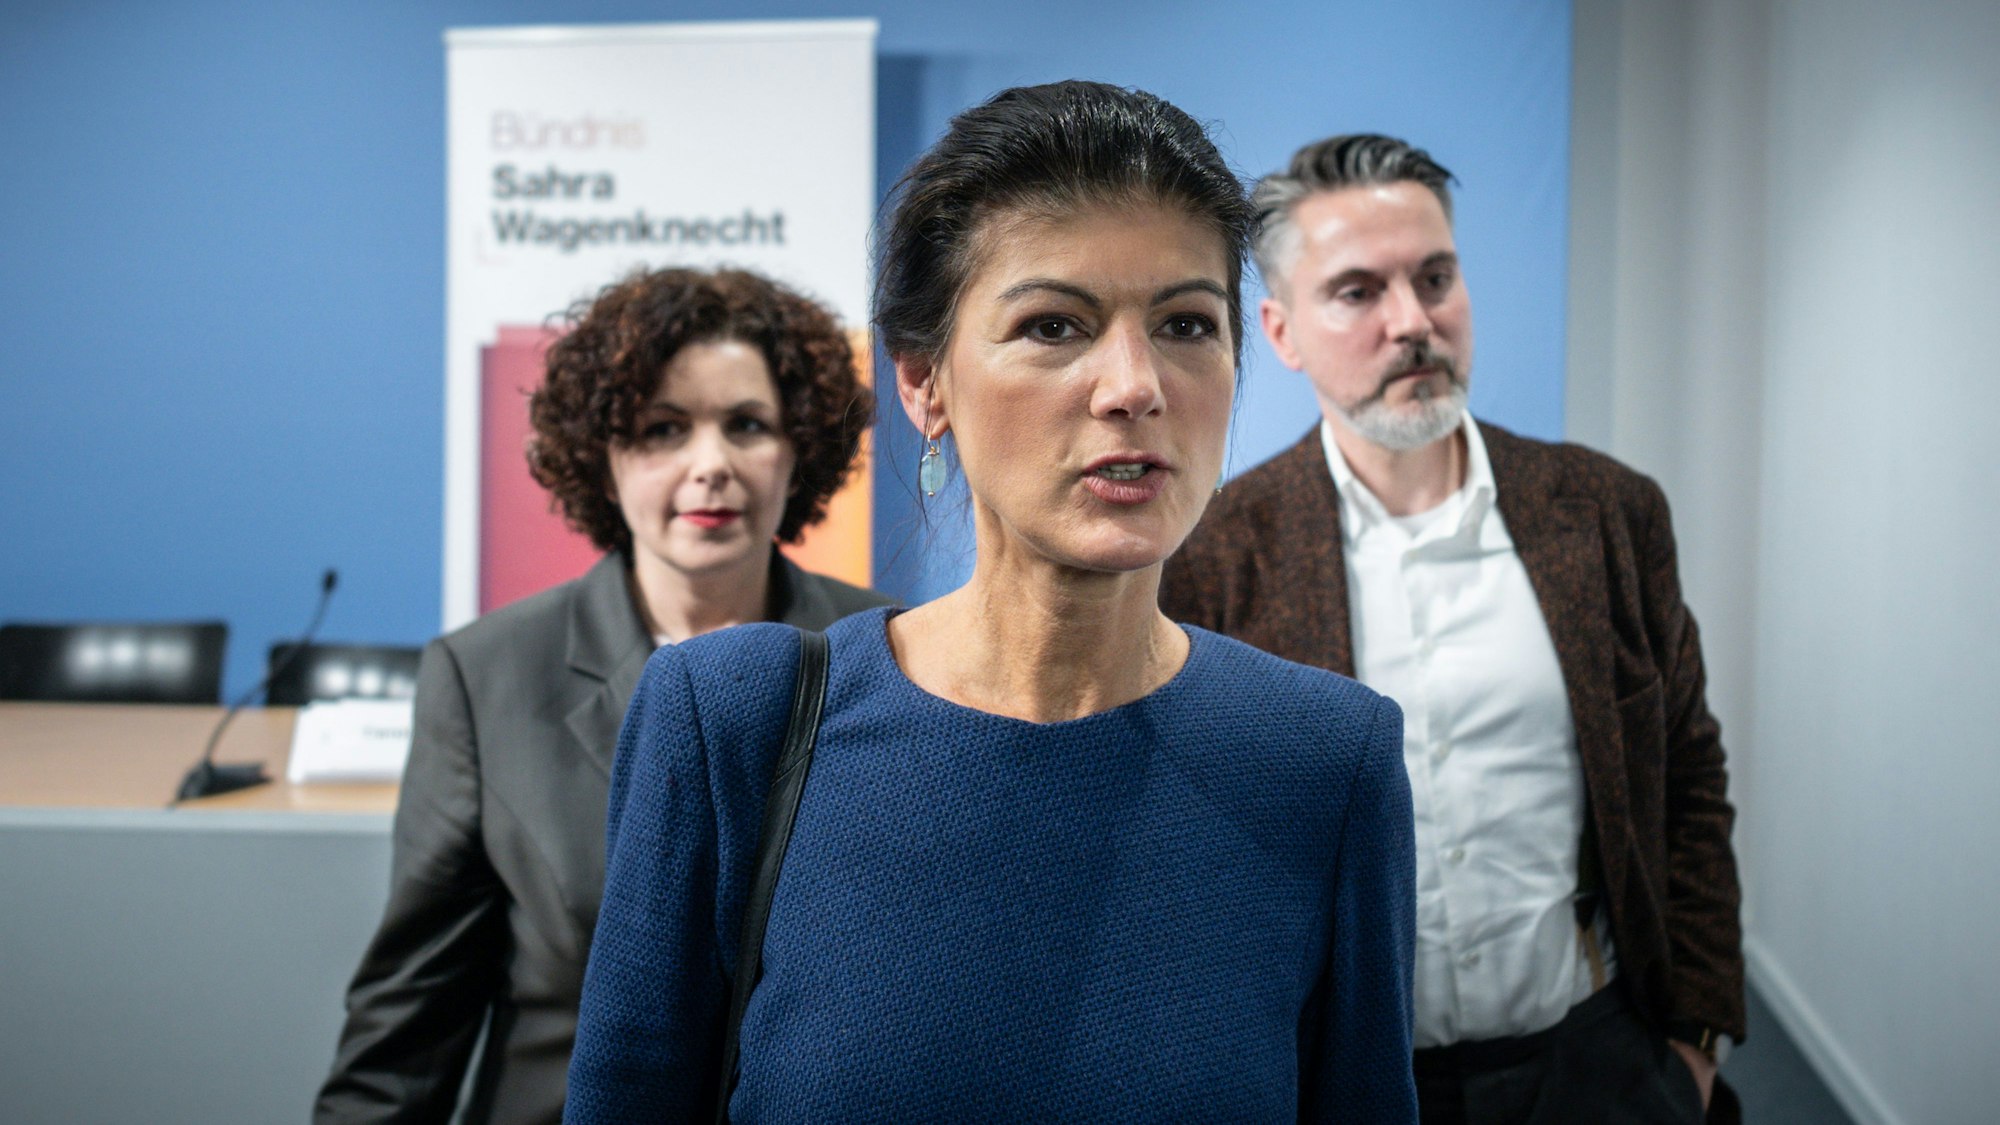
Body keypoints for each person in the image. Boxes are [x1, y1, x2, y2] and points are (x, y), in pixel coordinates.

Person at [563, 82, 1418, 1123]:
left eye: (1186, 323)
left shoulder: (1325, 759)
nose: (1133, 385)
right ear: (924, 382)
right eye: (1053, 325)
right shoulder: (731, 720)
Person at [1161, 134, 1746, 1125]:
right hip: (1351, 1082)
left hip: (1601, 1061)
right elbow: (1192, 860)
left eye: (1434, 279)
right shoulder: (1216, 557)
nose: (1412, 322)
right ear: (1281, 331)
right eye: (1357, 291)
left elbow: (1686, 776)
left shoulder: (1606, 512)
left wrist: (1694, 1039)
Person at [314, 267, 893, 1125]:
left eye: (747, 424)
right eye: (663, 429)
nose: (711, 464)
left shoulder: (892, 653)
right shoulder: (486, 676)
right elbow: (409, 1030)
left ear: (798, 446)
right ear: (604, 457)